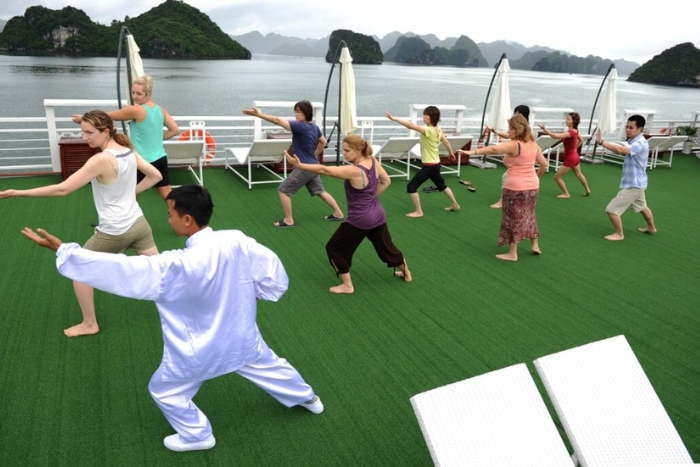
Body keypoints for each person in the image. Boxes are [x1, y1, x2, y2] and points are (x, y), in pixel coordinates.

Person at [20, 184, 324, 452]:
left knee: (165, 389)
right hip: (241, 335)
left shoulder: (176, 265)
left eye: (170, 214)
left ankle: (197, 435)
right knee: (269, 364)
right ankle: (308, 398)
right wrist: (256, 290)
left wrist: (65, 251)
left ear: (187, 219)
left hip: (198, 350)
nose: (168, 219)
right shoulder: (236, 240)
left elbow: (123, 269)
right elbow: (272, 273)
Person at [1, 110, 162, 336]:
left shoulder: (100, 159)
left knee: (79, 269)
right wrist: (132, 193)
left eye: (89, 132)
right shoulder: (128, 151)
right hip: (139, 223)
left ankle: (89, 324)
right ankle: (189, 302)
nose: (84, 137)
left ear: (106, 132)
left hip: (115, 231)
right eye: (82, 131)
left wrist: (18, 192)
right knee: (162, 269)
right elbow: (156, 175)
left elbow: (62, 189)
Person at [286, 134, 411, 294]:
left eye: (347, 150)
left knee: (335, 248)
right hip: (378, 214)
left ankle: (347, 286)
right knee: (386, 248)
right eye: (342, 150)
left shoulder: (355, 171)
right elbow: (386, 181)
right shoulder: (372, 161)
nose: (343, 153)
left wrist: (301, 166)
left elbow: (325, 169)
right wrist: (371, 198)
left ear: (358, 150)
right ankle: (406, 273)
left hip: (360, 219)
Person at [72, 75, 179, 201]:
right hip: (160, 159)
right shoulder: (160, 110)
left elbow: (105, 116)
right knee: (167, 195)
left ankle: (118, 219)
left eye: (139, 93)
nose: (135, 96)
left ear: (148, 93)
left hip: (142, 162)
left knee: (128, 195)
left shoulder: (136, 110)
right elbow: (175, 130)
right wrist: (154, 138)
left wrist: (82, 119)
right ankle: (183, 218)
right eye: (133, 92)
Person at [458, 115, 547, 261]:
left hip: (515, 187)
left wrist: (472, 152)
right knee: (529, 214)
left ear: (517, 130)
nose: (508, 131)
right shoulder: (533, 143)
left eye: (511, 128)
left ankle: (512, 253)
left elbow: (494, 149)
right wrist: (535, 177)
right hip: (533, 186)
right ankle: (535, 245)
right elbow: (544, 164)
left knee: (512, 218)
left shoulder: (515, 145)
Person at [243, 101, 344, 227]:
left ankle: (289, 220)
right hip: (314, 165)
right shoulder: (314, 127)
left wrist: (259, 115)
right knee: (320, 191)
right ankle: (338, 213)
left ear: (306, 113)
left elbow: (277, 120)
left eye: (298, 112)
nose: (296, 115)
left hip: (304, 167)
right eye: (295, 111)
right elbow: (323, 142)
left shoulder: (300, 126)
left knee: (283, 190)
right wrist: (315, 154)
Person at [384, 107, 460, 217]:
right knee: (441, 185)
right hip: (436, 163)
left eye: (426, 115)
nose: (424, 117)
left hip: (430, 166)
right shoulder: (437, 129)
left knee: (411, 187)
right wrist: (451, 153)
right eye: (424, 114)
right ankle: (455, 204)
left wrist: (394, 118)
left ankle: (419, 211)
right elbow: (446, 141)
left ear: (432, 117)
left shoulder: (428, 130)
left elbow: (411, 125)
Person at [596, 115, 657, 241]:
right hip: (639, 183)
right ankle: (651, 228)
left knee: (612, 209)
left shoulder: (640, 143)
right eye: (626, 127)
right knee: (642, 207)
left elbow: (621, 150)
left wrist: (602, 142)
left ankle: (619, 234)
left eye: (631, 127)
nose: (627, 130)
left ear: (640, 129)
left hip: (634, 185)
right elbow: (621, 146)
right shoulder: (633, 141)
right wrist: (607, 142)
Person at [487, 105, 532, 209]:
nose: (514, 114)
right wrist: (496, 131)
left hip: (520, 159)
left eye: (517, 113)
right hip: (522, 159)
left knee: (506, 178)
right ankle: (518, 201)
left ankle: (502, 202)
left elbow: (513, 138)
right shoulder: (524, 127)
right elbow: (509, 135)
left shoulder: (524, 128)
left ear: (521, 114)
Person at [538, 112, 591, 198]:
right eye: (566, 118)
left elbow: (555, 136)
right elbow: (581, 140)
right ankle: (587, 189)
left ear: (573, 121)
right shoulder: (576, 131)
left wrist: (545, 129)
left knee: (557, 177)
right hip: (575, 156)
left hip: (571, 158)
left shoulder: (570, 132)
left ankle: (566, 194)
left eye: (568, 119)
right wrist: (575, 149)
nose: (566, 120)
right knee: (579, 174)